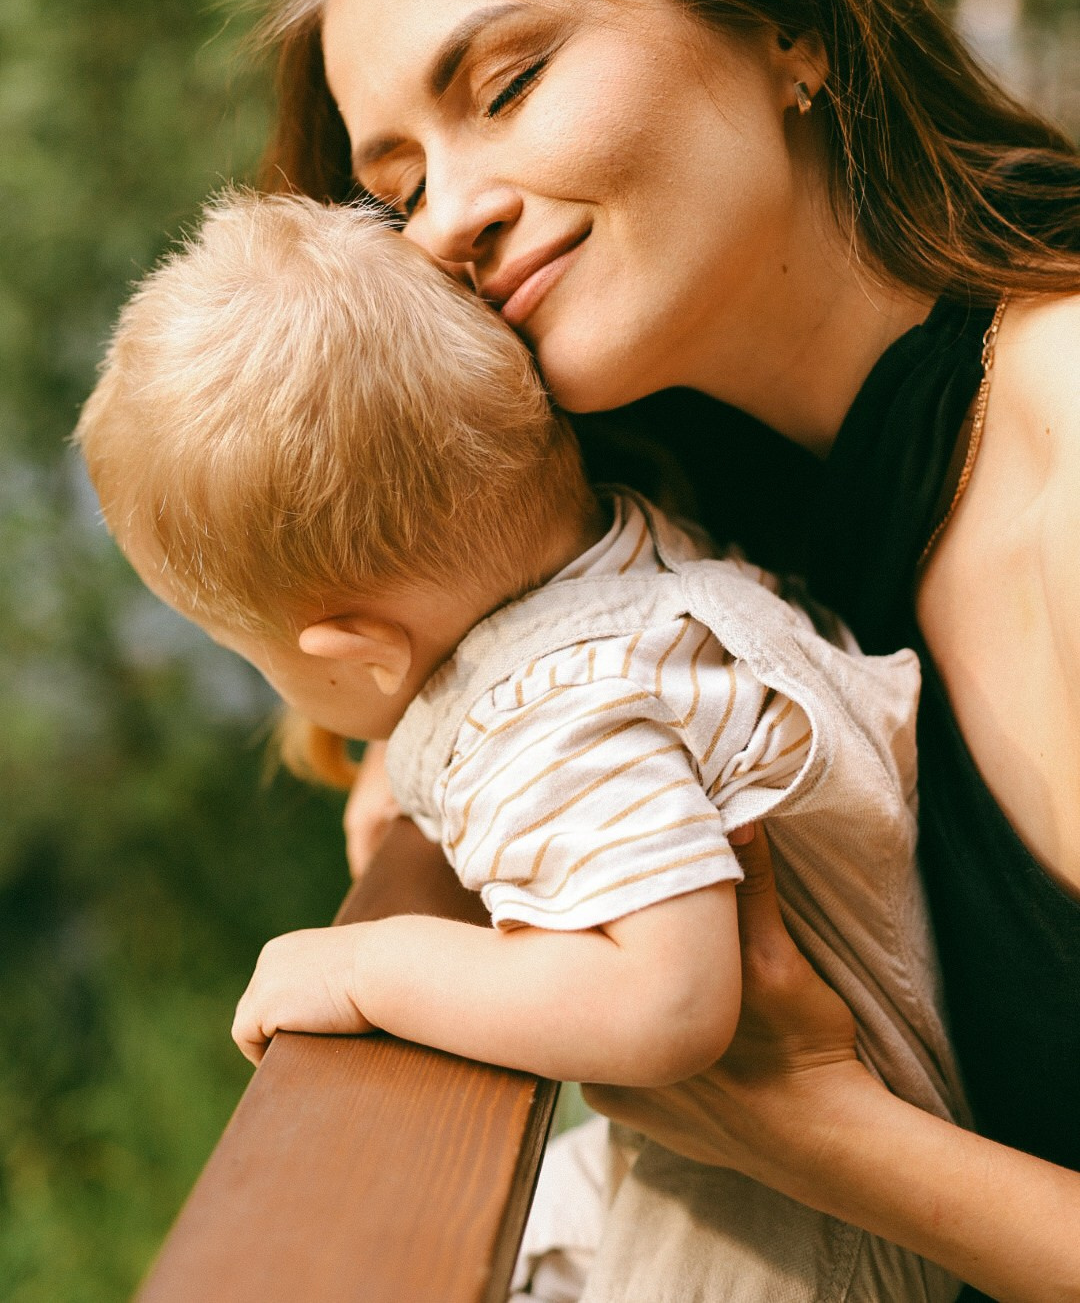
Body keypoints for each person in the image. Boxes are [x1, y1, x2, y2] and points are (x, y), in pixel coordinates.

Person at [258, 0, 1080, 1303]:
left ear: (787, 24)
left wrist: (818, 1134)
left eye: (504, 87)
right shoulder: (715, 548)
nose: (447, 220)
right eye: (399, 189)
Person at [77, 187, 964, 1303]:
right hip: (813, 1164)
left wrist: (366, 965)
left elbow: (667, 1007)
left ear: (356, 654)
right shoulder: (639, 558)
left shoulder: (548, 721)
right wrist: (410, 777)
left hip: (804, 1247)